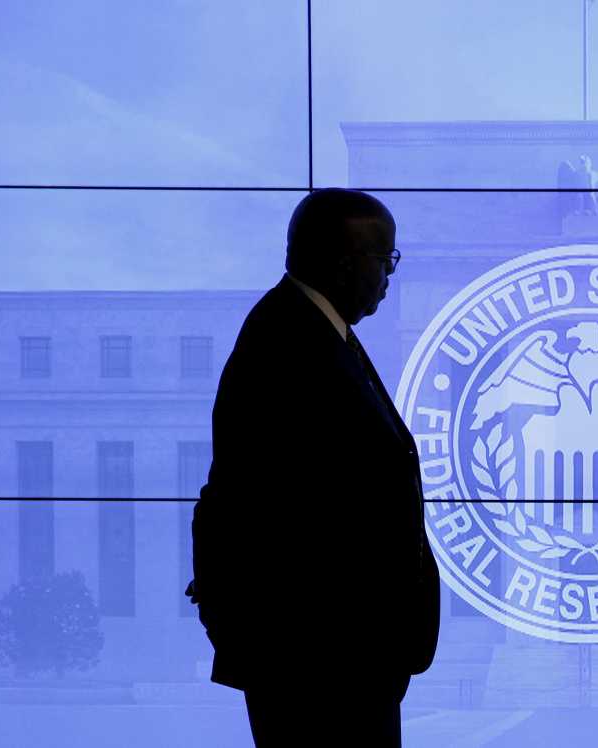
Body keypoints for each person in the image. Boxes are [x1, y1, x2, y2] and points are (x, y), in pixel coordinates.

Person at [186, 189, 440, 746]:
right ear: (346, 260)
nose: (389, 276)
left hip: (342, 656)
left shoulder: (317, 331)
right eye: (385, 259)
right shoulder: (287, 342)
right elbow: (251, 501)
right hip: (320, 662)